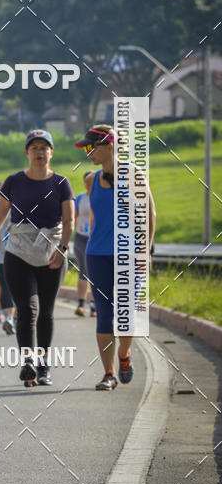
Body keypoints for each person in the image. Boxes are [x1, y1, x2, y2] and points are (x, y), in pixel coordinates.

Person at [0, 130, 74, 387]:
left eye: (45, 147)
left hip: (51, 253)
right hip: (18, 253)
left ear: (51, 152)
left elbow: (69, 220)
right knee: (27, 310)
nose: (40, 152)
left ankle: (44, 366)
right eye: (34, 148)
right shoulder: (14, 181)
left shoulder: (61, 183)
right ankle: (28, 363)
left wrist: (63, 248)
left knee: (46, 311)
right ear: (27, 152)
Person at [75, 125, 156, 390]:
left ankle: (124, 354)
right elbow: (98, 216)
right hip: (97, 254)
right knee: (104, 315)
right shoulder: (91, 180)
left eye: (91, 147)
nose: (88, 153)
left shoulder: (134, 174)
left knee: (127, 315)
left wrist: (145, 250)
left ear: (110, 145)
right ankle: (108, 374)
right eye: (85, 148)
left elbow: (149, 215)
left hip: (130, 255)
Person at [0, 182, 15, 335]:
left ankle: (8, 318)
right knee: (14, 287)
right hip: (15, 253)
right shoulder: (17, 205)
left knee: (6, 287)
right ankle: (11, 317)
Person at [73, 172, 96, 317]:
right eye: (86, 182)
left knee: (95, 272)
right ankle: (81, 304)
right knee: (83, 271)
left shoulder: (100, 197)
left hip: (95, 239)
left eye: (91, 182)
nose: (88, 184)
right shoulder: (80, 198)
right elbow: (73, 218)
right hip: (81, 238)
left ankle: (94, 305)